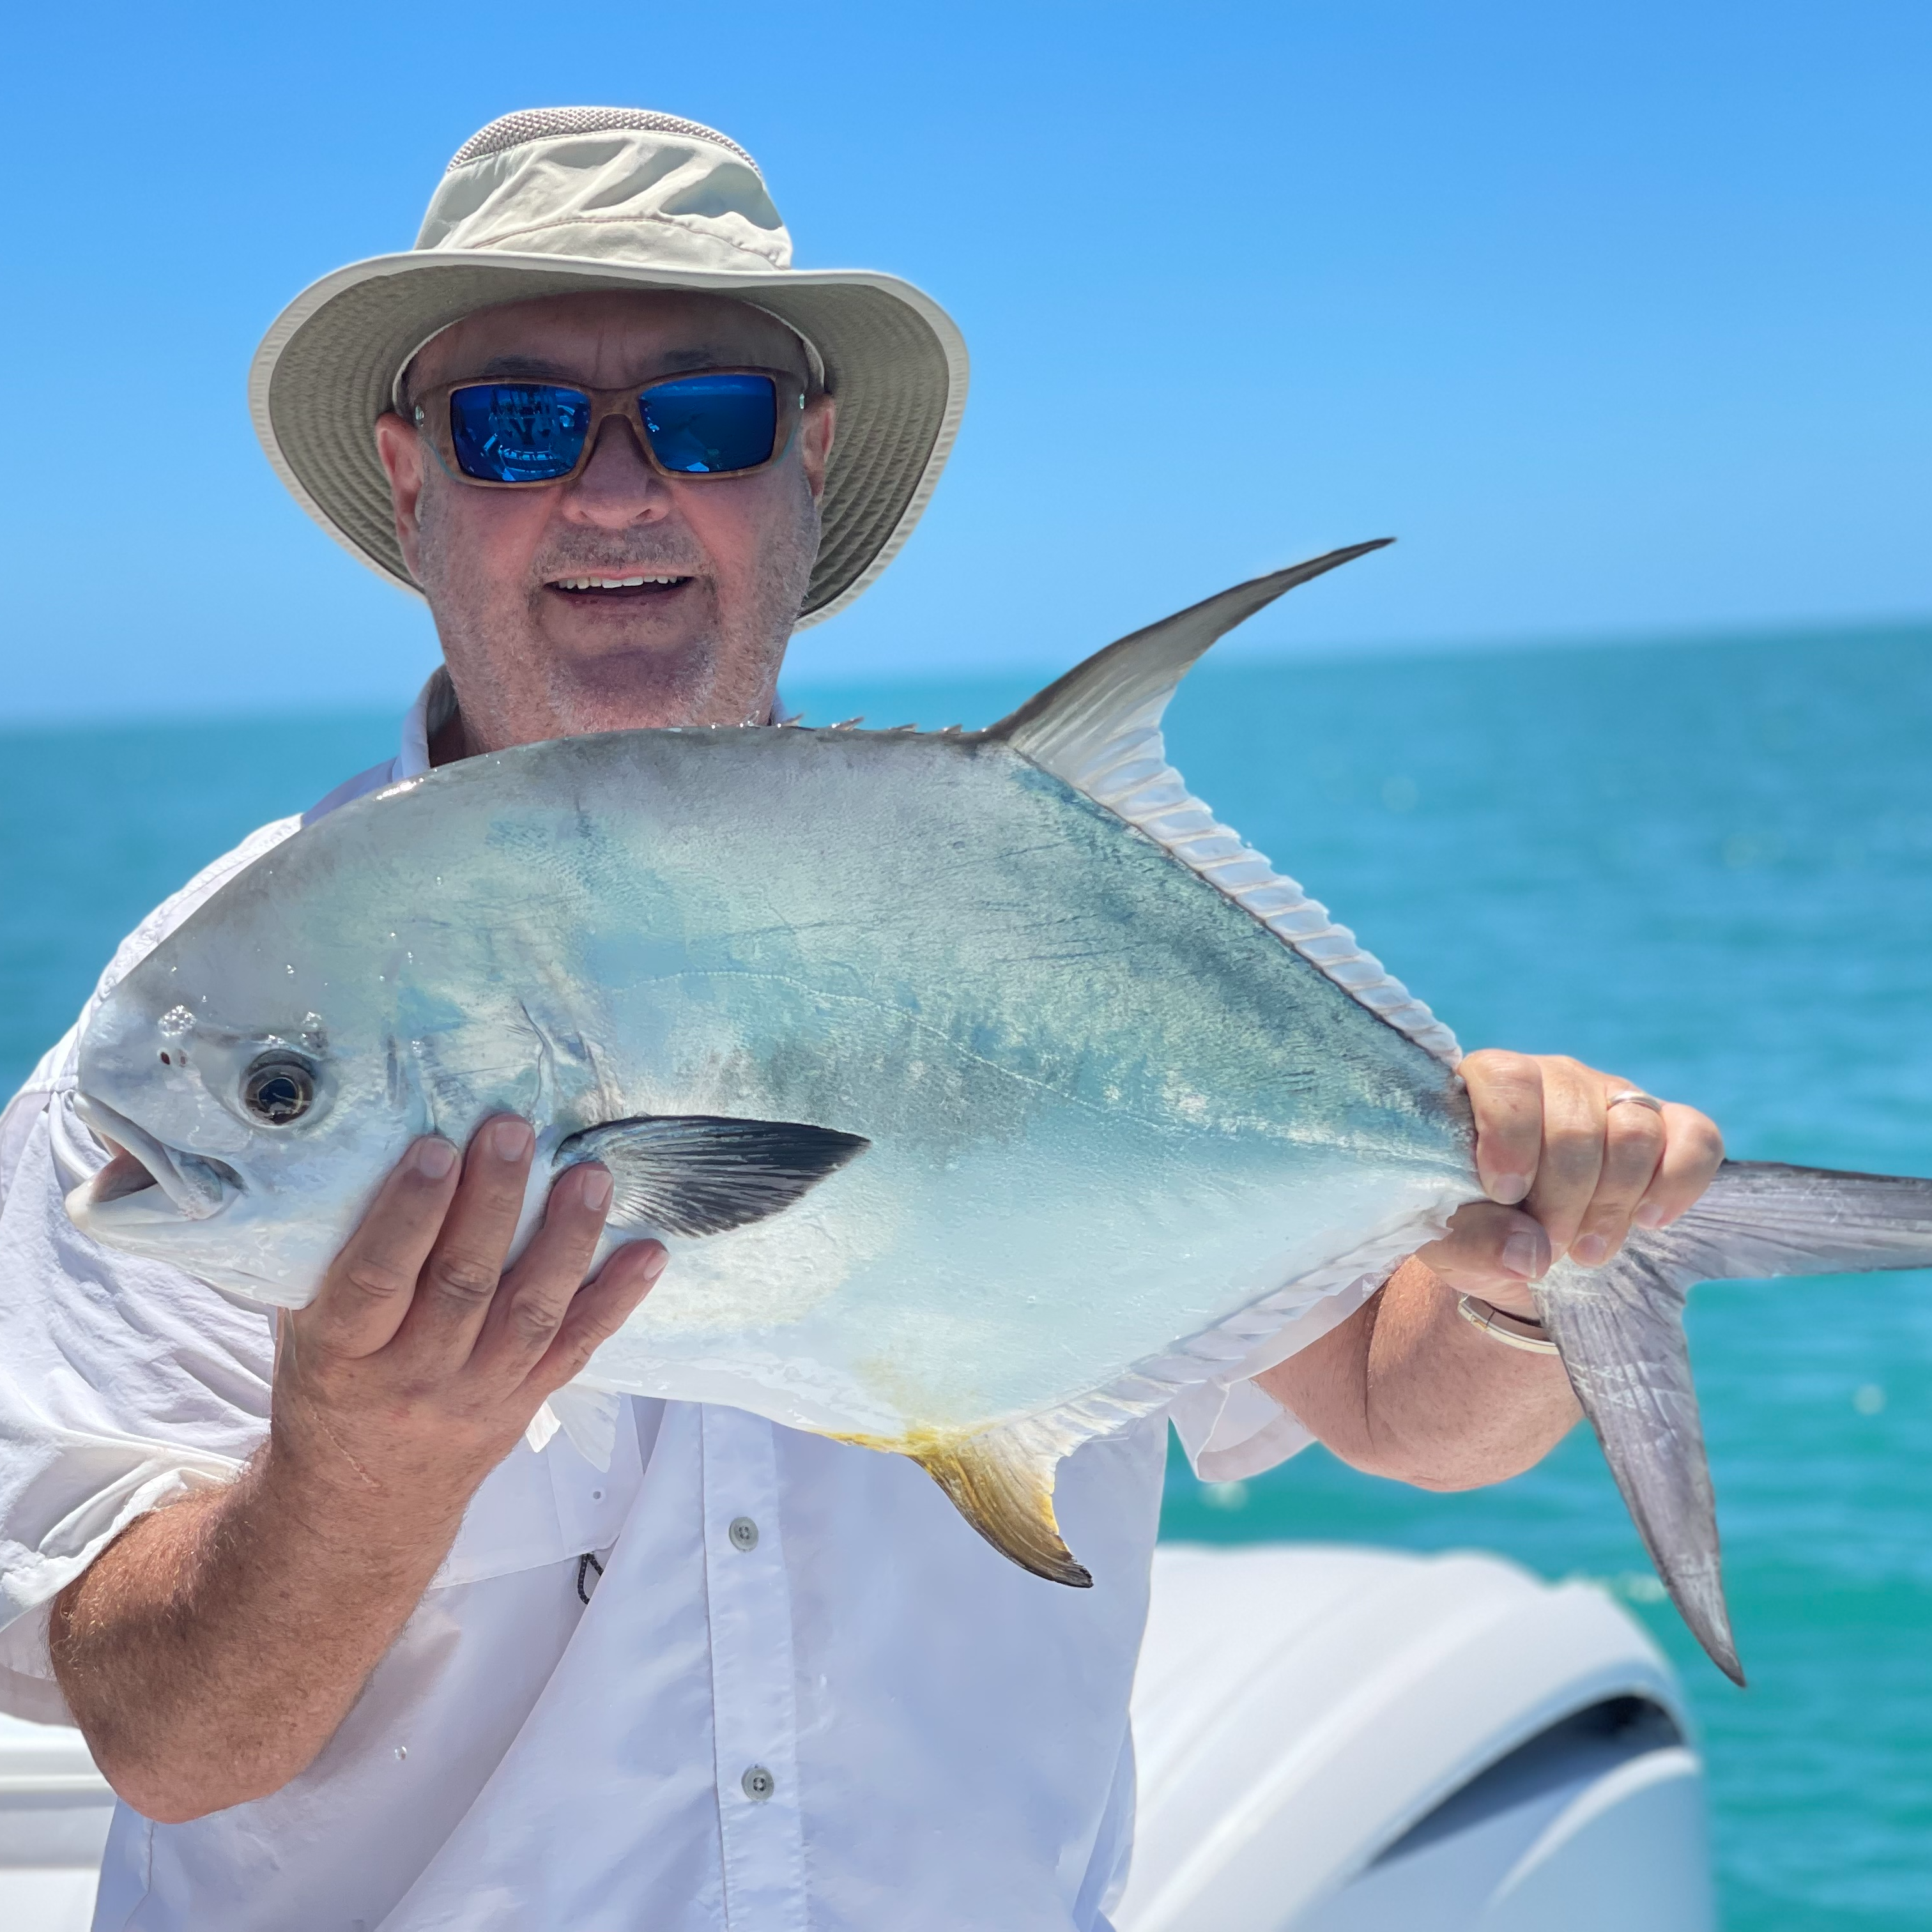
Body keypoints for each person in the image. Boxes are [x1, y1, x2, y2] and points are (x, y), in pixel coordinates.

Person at [0, 109, 1724, 1931]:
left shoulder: (1015, 911)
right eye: (520, 423)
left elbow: (1397, 1402)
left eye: (708, 420)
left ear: (807, 462)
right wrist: (364, 1459)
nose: (612, 496)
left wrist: (1538, 1270)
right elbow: (166, 1742)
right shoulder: (202, 1030)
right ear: (410, 474)